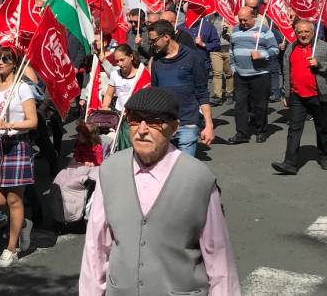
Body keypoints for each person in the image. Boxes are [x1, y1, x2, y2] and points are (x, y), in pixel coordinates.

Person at [79, 87, 239, 296]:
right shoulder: (109, 171)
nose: (142, 129)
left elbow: (219, 259)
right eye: (135, 119)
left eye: (153, 121)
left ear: (173, 128)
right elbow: (96, 247)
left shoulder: (198, 178)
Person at [0, 46, 37, 268]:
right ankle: (21, 223)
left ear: (15, 63)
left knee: (14, 200)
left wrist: (11, 124)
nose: (1, 62)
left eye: (6, 59)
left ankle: (11, 248)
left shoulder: (22, 88)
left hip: (16, 144)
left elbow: (33, 121)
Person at [272, 19, 327, 175]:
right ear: (295, 33)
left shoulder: (322, 47)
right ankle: (289, 163)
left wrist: (319, 65)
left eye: (306, 31)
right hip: (297, 96)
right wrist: (286, 93)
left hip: (317, 95)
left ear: (312, 32)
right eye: (299, 32)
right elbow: (287, 71)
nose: (303, 35)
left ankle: (323, 156)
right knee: (294, 129)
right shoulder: (291, 48)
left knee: (322, 128)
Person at [146, 20, 215, 157]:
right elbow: (155, 91)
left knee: (184, 169)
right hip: (164, 125)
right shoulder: (156, 61)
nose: (151, 44)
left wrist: (209, 125)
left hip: (187, 122)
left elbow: (202, 92)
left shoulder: (192, 57)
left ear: (166, 37)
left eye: (153, 40)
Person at [227, 7, 277, 145]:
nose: (242, 22)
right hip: (241, 75)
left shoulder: (264, 30)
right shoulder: (236, 30)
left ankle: (261, 131)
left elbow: (275, 49)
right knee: (240, 106)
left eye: (245, 20)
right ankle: (241, 133)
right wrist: (232, 67)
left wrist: (262, 55)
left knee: (259, 105)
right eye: (240, 19)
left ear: (253, 17)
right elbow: (232, 50)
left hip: (259, 74)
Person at [209, 12, 234, 106]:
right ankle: (217, 96)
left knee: (229, 73)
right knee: (217, 73)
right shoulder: (211, 17)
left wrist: (228, 30)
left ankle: (229, 94)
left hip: (228, 49)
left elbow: (235, 33)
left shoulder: (230, 15)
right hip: (216, 49)